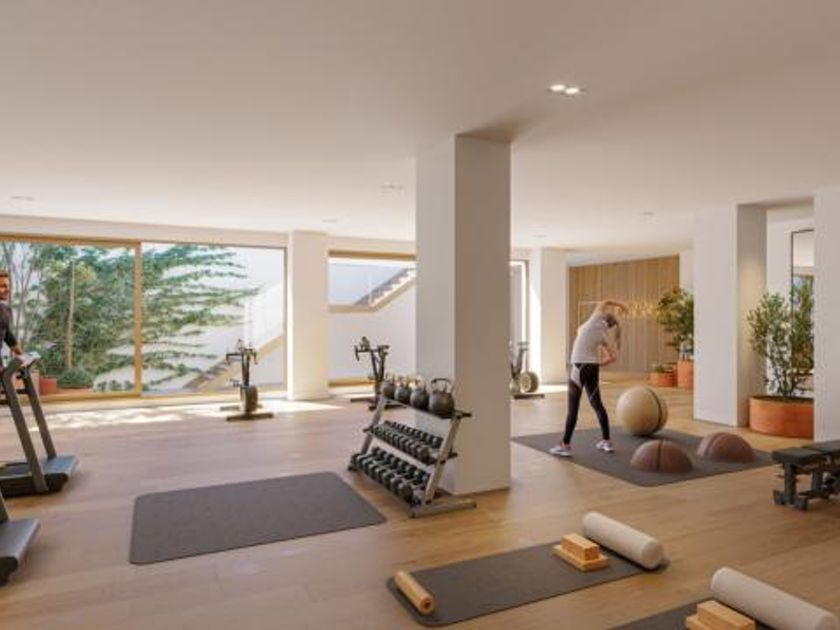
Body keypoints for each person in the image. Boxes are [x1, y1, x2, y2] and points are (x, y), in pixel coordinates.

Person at [550, 299, 626, 457]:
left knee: (573, 409)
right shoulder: (604, 334)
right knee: (597, 405)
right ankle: (606, 441)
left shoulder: (595, 318)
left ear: (604, 316)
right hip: (592, 368)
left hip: (579, 367)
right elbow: (613, 358)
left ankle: (565, 445)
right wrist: (597, 364)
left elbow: (606, 301)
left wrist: (621, 305)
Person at [0, 271, 23, 358]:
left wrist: (23, 357)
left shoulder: (6, 310)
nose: (8, 289)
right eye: (3, 286)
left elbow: (7, 334)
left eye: (8, 286)